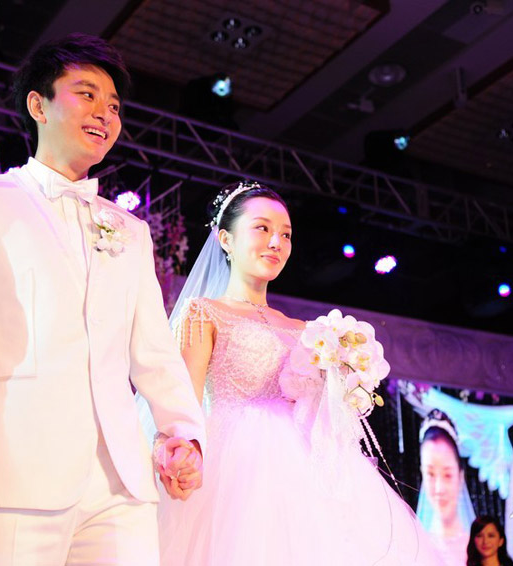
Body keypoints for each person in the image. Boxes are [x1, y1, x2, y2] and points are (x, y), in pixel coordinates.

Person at [0, 33, 205, 565]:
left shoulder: (130, 231)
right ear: (38, 105)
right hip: (13, 473)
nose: (105, 113)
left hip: (121, 487)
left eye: (114, 105)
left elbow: (154, 352)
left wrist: (184, 433)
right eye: (87, 94)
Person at [154, 181, 445, 565]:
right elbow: (182, 403)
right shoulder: (203, 313)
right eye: (262, 228)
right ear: (226, 239)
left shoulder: (306, 331)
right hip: (236, 468)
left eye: (286, 234)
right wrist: (179, 451)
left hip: (308, 467)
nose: (276, 242)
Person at [418, 409, 476, 566]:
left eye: (447, 475)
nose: (439, 489)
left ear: (460, 476)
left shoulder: (480, 550)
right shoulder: (413, 547)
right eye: (430, 474)